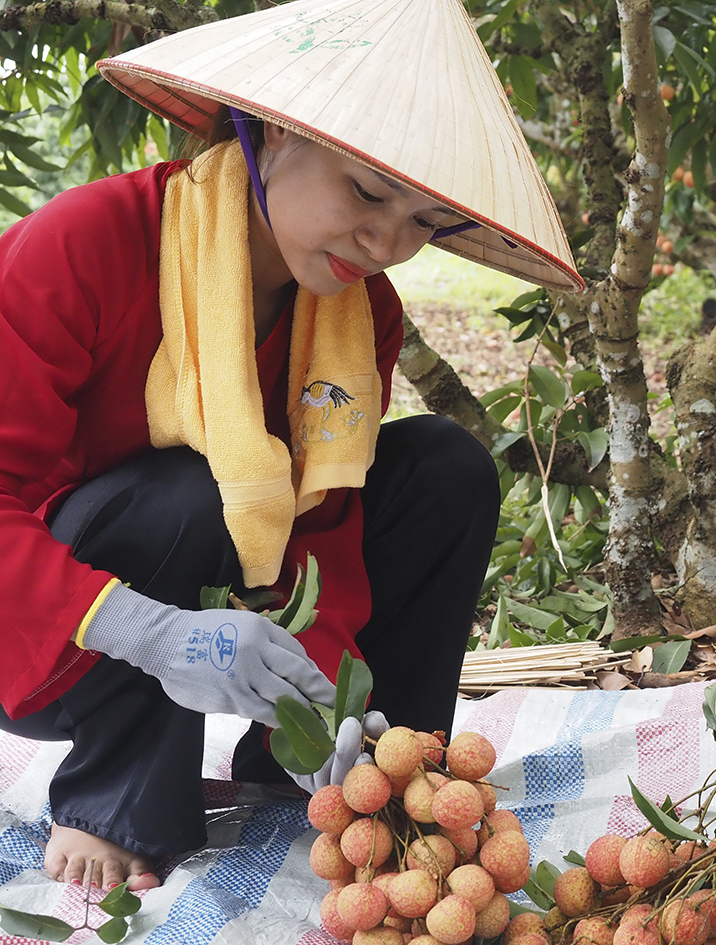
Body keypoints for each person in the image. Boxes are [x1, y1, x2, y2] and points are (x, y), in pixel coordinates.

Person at [0, 0, 580, 893]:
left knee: (443, 468)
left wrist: (329, 704)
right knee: (188, 490)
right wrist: (146, 629)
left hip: (221, 584)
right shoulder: (86, 242)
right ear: (271, 133)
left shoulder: (361, 311)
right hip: (52, 630)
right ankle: (114, 797)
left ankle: (368, 767)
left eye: (425, 220)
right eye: (368, 192)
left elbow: (325, 513)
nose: (387, 242)